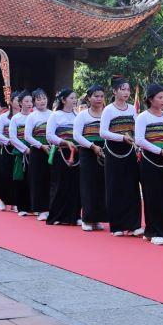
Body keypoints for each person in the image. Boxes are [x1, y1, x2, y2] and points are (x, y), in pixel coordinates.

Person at [135, 83, 163, 245]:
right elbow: (139, 140)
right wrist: (158, 151)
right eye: (159, 97)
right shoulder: (142, 117)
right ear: (150, 99)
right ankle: (153, 232)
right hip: (149, 161)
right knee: (152, 196)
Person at [100, 75, 142, 237]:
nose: (126, 92)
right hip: (113, 151)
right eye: (122, 89)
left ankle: (133, 224)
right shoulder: (108, 109)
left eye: (128, 89)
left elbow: (136, 129)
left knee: (131, 187)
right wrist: (121, 137)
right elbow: (103, 132)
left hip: (129, 150)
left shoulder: (132, 109)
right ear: (115, 91)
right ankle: (117, 225)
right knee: (115, 187)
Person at [74, 84, 108, 231]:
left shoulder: (107, 113)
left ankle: (98, 218)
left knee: (102, 185)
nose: (99, 99)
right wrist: (92, 147)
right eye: (96, 96)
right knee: (88, 185)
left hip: (105, 151)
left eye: (101, 96)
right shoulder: (82, 115)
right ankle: (87, 219)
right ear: (89, 98)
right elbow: (76, 136)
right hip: (88, 151)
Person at [46, 88, 81, 226]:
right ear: (63, 100)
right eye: (71, 98)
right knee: (59, 184)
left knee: (75, 185)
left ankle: (74, 216)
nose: (74, 100)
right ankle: (56, 216)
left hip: (76, 152)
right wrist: (65, 141)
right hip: (61, 152)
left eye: (75, 98)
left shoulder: (77, 116)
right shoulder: (55, 116)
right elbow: (49, 135)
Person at [23, 89, 52, 221]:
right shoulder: (32, 116)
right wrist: (41, 146)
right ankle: (40, 209)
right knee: (38, 179)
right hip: (37, 150)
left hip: (51, 149)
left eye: (44, 98)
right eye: (39, 99)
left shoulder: (53, 114)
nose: (42, 101)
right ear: (34, 102)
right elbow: (27, 136)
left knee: (50, 179)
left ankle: (51, 207)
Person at [7, 90, 33, 216]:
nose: (29, 104)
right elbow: (13, 137)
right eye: (26, 101)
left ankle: (33, 205)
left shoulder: (35, 116)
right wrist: (25, 149)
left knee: (33, 178)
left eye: (30, 101)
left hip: (35, 149)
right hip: (21, 151)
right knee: (20, 178)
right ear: (20, 103)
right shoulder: (15, 118)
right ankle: (21, 206)